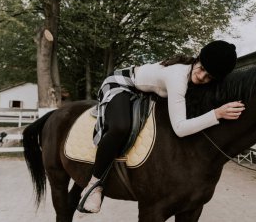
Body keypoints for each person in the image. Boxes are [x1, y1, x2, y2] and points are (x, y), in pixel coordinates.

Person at [78, 40, 246, 213]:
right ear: (198, 59)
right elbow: (180, 128)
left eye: (209, 77)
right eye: (202, 69)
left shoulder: (192, 75)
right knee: (120, 127)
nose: (202, 77)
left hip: (143, 91)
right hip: (122, 83)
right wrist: (216, 114)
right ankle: (94, 185)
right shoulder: (177, 77)